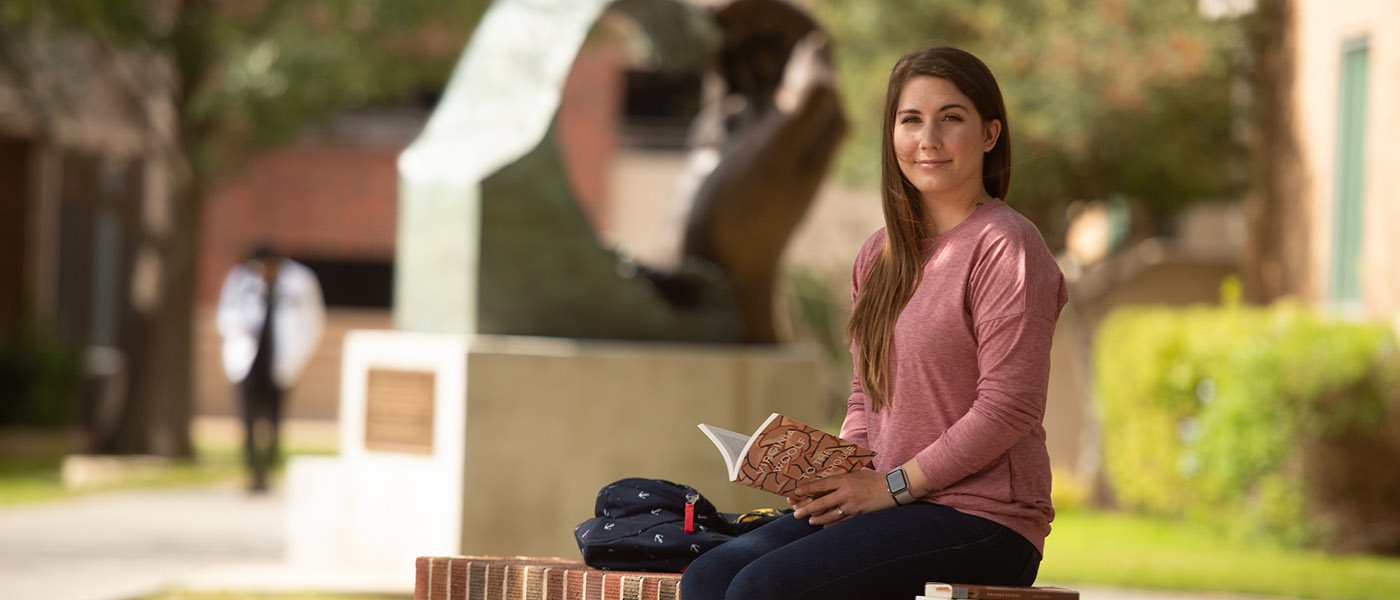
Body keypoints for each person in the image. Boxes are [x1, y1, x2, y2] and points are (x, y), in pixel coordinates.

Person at [680, 47, 1068, 599]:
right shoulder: (880, 255)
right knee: (708, 577)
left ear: (989, 135)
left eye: (951, 118)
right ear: (892, 135)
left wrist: (891, 486)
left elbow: (1009, 407)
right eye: (910, 120)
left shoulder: (1006, 246)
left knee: (765, 588)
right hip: (889, 503)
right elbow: (866, 398)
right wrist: (829, 478)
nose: (927, 138)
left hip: (983, 519)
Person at [216, 243, 325, 493]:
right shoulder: (241, 280)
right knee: (248, 418)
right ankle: (253, 470)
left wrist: (300, 356)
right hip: (248, 362)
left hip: (281, 360)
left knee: (275, 418)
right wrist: (243, 328)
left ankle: (269, 466)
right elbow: (225, 315)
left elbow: (313, 321)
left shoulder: (299, 281)